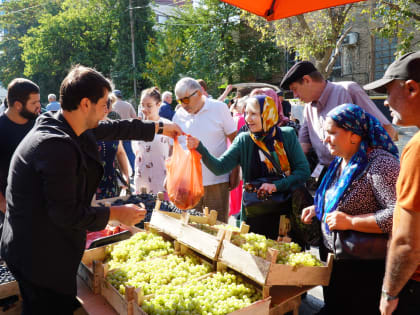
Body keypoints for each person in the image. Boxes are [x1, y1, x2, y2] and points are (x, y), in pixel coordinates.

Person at [0, 65, 182, 314]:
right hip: (39, 255)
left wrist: (159, 127)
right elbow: (66, 214)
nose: (108, 111)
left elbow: (114, 128)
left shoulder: (65, 123)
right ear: (86, 104)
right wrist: (116, 214)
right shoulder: (56, 147)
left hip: (37, 244)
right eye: (104, 104)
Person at [301, 104, 400, 315]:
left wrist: (351, 222)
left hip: (362, 267)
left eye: (332, 133)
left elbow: (398, 215)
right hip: (337, 259)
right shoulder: (342, 161)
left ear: (354, 135)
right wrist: (318, 208)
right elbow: (340, 199)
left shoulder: (380, 164)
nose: (325, 139)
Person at [187, 95, 310, 239]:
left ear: (268, 114)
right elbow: (219, 167)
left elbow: (303, 172)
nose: (247, 119)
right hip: (255, 214)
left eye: (253, 114)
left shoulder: (287, 136)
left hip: (287, 215)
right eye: (246, 113)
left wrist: (276, 186)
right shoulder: (244, 140)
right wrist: (200, 148)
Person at [363, 51, 420, 315]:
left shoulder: (417, 149)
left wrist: (389, 293)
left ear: (411, 88)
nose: (385, 102)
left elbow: (407, 242)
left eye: (388, 91)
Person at [280, 61, 397, 181]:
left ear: (307, 80)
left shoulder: (348, 91)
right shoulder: (308, 108)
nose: (295, 96)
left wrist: (370, 169)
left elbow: (387, 131)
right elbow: (303, 146)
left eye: (295, 89)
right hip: (329, 174)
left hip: (360, 174)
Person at [173, 77, 237, 223]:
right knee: (192, 232)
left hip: (216, 181)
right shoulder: (178, 116)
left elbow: (235, 142)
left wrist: (235, 171)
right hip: (189, 186)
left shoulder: (219, 108)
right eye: (179, 101)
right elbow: (175, 150)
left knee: (217, 228)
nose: (183, 105)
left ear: (199, 93)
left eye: (186, 100)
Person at [0, 79, 41, 232]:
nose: (39, 106)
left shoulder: (39, 124)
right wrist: (4, 205)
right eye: (34, 103)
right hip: (10, 208)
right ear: (18, 105)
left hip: (40, 204)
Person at [134, 87, 172, 195]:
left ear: (158, 104)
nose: (144, 109)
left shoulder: (167, 125)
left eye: (149, 105)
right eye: (142, 105)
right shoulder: (137, 127)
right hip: (142, 182)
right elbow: (137, 152)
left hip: (162, 182)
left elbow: (172, 153)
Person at [96, 95, 130, 200]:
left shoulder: (113, 126)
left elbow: (120, 152)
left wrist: (125, 175)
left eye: (106, 107)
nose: (105, 109)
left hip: (111, 183)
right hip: (90, 186)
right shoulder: (85, 127)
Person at [112, 89, 138, 176]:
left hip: (116, 133)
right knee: (129, 152)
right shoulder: (128, 105)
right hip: (127, 132)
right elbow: (135, 118)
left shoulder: (112, 105)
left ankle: (121, 173)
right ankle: (135, 170)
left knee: (118, 153)